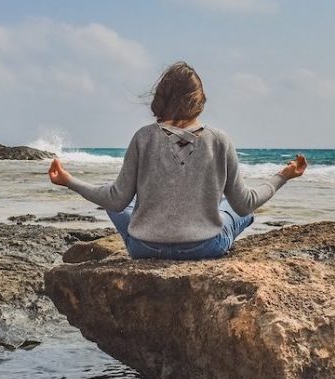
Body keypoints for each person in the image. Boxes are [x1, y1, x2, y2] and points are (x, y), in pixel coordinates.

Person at [48, 61, 307, 260]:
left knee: (116, 199)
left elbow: (116, 200)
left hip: (144, 248)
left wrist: (69, 181)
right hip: (205, 247)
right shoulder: (219, 140)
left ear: (160, 97)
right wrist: (283, 176)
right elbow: (245, 203)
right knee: (235, 208)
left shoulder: (143, 138)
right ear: (199, 100)